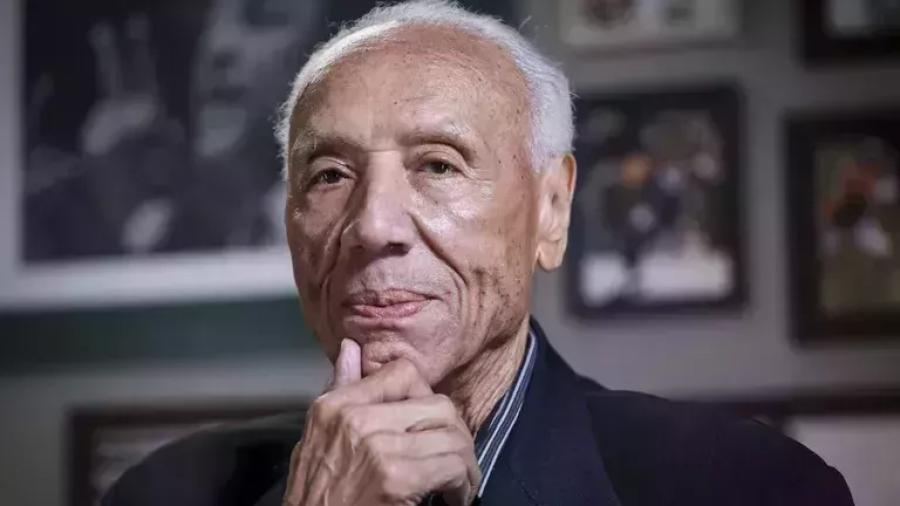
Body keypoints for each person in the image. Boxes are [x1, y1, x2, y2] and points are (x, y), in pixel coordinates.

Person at [102, 1, 855, 505]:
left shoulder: (747, 487)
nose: (372, 226)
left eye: (438, 165)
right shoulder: (165, 492)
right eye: (329, 175)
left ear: (551, 211)